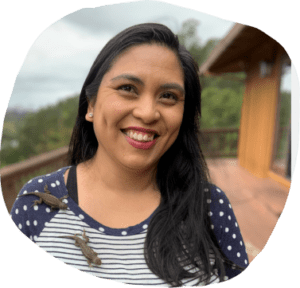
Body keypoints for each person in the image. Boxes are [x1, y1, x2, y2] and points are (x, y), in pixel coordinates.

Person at [10, 23, 248, 287]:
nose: (147, 113)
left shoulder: (210, 207)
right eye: (127, 88)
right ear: (91, 104)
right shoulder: (39, 205)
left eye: (168, 96)